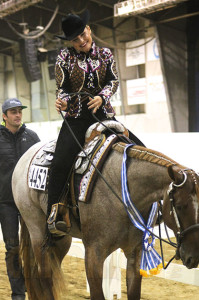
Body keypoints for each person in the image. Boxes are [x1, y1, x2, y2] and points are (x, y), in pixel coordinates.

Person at [47, 9, 144, 236]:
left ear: (89, 30)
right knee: (60, 162)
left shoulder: (106, 54)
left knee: (139, 148)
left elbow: (113, 80)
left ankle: (146, 206)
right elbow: (61, 88)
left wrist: (102, 96)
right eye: (75, 39)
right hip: (76, 117)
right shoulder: (64, 57)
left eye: (83, 34)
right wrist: (61, 101)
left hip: (104, 115)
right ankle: (54, 214)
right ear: (70, 42)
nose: (81, 41)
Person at [0, 98, 40, 300]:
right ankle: (18, 294)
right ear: (4, 116)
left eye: (19, 111)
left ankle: (35, 289)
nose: (17, 115)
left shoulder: (32, 138)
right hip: (5, 202)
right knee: (13, 247)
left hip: (29, 202)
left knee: (35, 246)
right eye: (13, 112)